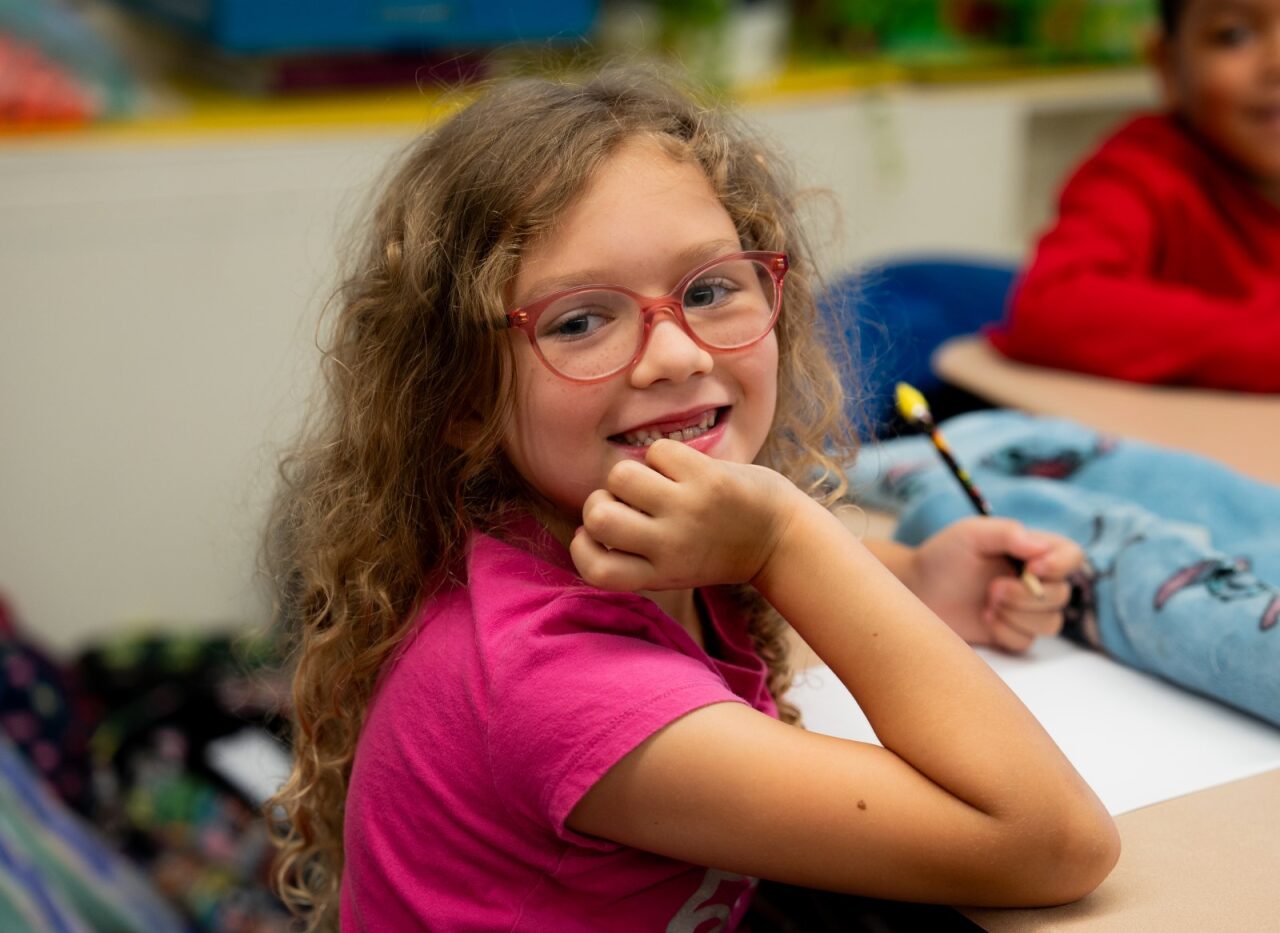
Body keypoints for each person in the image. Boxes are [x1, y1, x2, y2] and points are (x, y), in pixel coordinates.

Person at [265, 70, 1118, 931]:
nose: (676, 354)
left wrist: (919, 577)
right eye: (579, 320)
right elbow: (1053, 842)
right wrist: (786, 538)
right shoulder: (551, 682)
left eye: (709, 290)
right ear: (460, 398)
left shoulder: (605, 526)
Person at [989, 0, 1280, 392]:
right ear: (1167, 64)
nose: (1277, 63)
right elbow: (1051, 306)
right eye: (1234, 36)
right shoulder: (1141, 172)